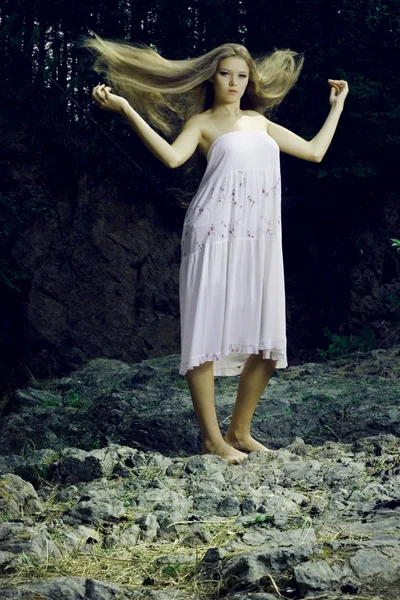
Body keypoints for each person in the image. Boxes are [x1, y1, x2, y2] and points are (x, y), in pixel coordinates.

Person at [87, 36, 349, 464]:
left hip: (259, 237)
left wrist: (336, 105)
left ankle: (239, 432)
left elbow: (316, 152)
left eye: (242, 75)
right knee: (204, 336)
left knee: (267, 344)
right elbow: (172, 159)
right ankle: (212, 440)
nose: (234, 82)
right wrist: (127, 109)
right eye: (226, 73)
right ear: (212, 77)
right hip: (213, 232)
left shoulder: (260, 123)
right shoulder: (203, 123)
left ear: (250, 81)